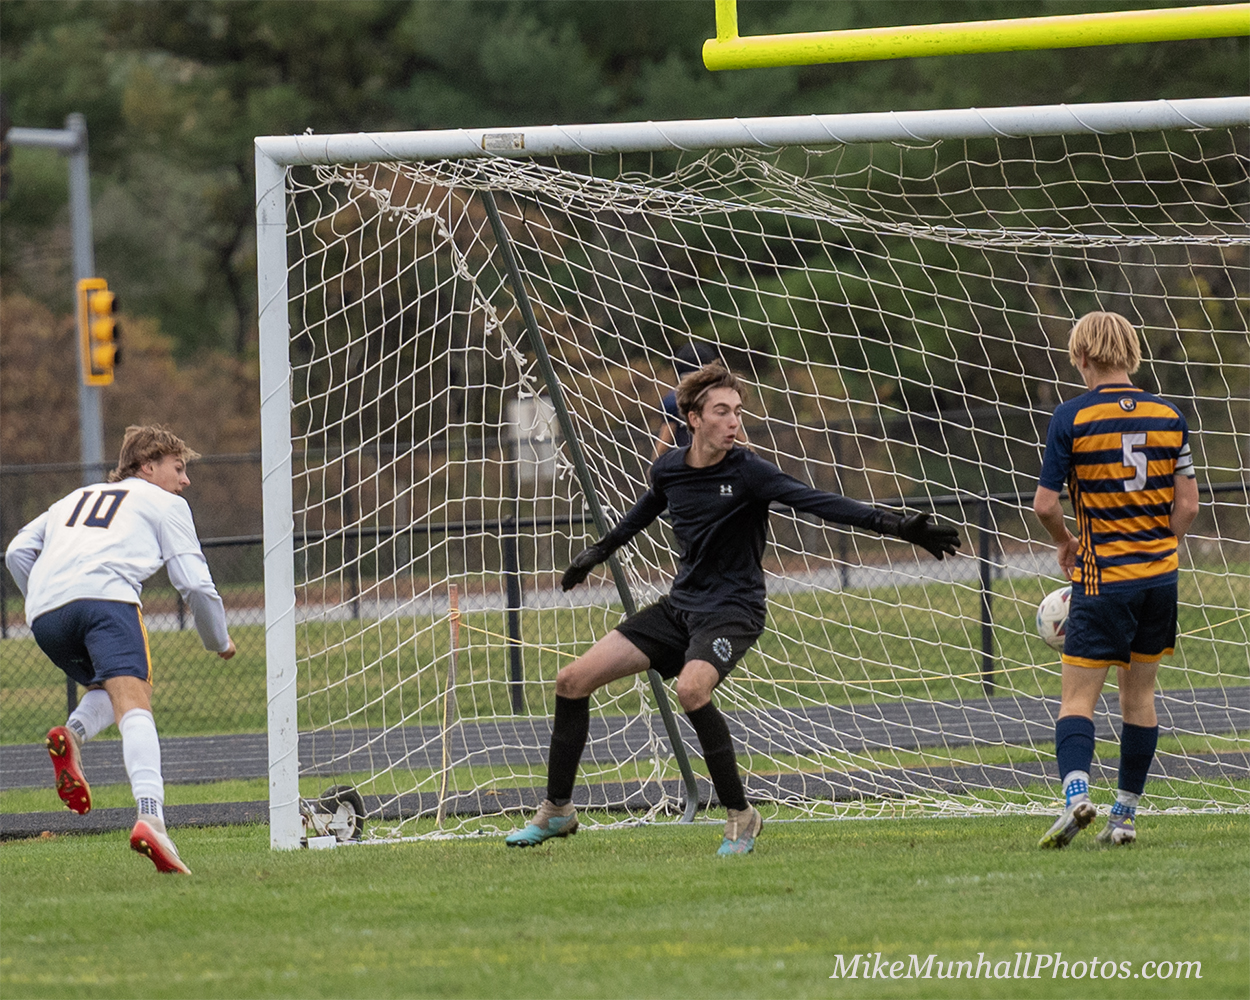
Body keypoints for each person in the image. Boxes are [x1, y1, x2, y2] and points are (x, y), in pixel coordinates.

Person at [506, 363, 962, 854]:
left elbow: (820, 502)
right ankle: (558, 810)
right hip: (680, 608)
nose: (734, 422)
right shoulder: (670, 469)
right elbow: (644, 511)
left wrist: (898, 526)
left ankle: (741, 816)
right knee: (571, 680)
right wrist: (598, 552)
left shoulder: (749, 471)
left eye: (737, 412)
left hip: (733, 611)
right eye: (722, 411)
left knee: (691, 689)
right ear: (693, 418)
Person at [5, 425, 236, 874]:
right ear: (147, 467)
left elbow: (16, 552)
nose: (185, 480)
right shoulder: (166, 503)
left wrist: (44, 598)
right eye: (178, 468)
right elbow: (194, 583)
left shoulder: (75, 497)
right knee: (135, 699)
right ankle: (152, 818)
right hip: (106, 601)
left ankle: (72, 734)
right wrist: (218, 640)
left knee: (109, 688)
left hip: (46, 616)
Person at [1033, 312, 1199, 849]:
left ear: (1082, 356)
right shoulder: (1169, 415)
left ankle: (1077, 795)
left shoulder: (1072, 417)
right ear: (1131, 353)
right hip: (1159, 579)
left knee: (1077, 699)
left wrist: (1066, 541)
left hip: (1103, 578)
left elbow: (1044, 505)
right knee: (1140, 699)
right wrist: (1158, 547)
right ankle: (1123, 818)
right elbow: (1188, 506)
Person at [652, 342, 722, 459]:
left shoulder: (674, 399)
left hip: (686, 461)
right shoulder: (719, 397)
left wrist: (653, 465)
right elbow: (741, 439)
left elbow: (664, 444)